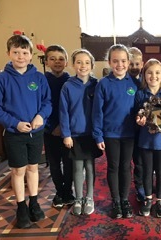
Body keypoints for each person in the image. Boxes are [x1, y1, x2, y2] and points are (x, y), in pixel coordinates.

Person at [0, 34, 52, 228]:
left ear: (31, 55)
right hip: (15, 134)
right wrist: (14, 123)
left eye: (24, 52)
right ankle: (21, 206)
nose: (20, 56)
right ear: (8, 53)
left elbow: (47, 102)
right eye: (15, 52)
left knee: (33, 168)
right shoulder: (2, 79)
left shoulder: (39, 78)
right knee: (18, 171)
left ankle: (33, 202)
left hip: (35, 132)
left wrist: (41, 116)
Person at [92, 44, 139, 219]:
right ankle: (116, 201)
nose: (120, 64)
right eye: (115, 61)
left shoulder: (134, 83)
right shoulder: (103, 84)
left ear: (128, 62)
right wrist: (98, 134)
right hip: (110, 134)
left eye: (123, 61)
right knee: (113, 166)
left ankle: (125, 200)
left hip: (129, 133)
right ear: (109, 62)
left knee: (126, 166)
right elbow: (97, 112)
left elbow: (140, 108)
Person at [60, 49, 102, 215]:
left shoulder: (96, 84)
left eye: (86, 62)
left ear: (92, 65)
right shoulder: (68, 86)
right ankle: (78, 198)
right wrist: (66, 134)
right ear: (72, 64)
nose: (83, 66)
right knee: (77, 168)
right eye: (79, 62)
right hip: (75, 135)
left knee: (90, 167)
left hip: (91, 134)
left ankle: (89, 197)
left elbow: (100, 111)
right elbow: (63, 112)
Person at [135, 58, 161, 218]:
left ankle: (159, 200)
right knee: (146, 170)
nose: (153, 76)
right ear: (144, 75)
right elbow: (137, 113)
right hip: (145, 139)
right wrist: (140, 120)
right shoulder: (140, 94)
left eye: (157, 72)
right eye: (149, 72)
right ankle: (147, 198)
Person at [44, 45, 74, 208]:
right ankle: (59, 192)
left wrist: (64, 127)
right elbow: (41, 105)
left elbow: (72, 107)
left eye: (61, 59)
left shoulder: (70, 81)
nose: (57, 62)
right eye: (53, 59)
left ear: (67, 61)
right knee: (54, 163)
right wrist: (51, 126)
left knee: (68, 162)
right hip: (49, 130)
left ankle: (68, 191)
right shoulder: (43, 80)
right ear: (47, 62)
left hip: (67, 130)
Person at [128, 47, 145, 202]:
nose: (134, 67)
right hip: (126, 128)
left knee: (140, 160)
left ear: (142, 64)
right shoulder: (124, 80)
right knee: (127, 161)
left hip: (143, 129)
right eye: (131, 64)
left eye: (137, 64)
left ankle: (140, 186)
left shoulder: (145, 81)